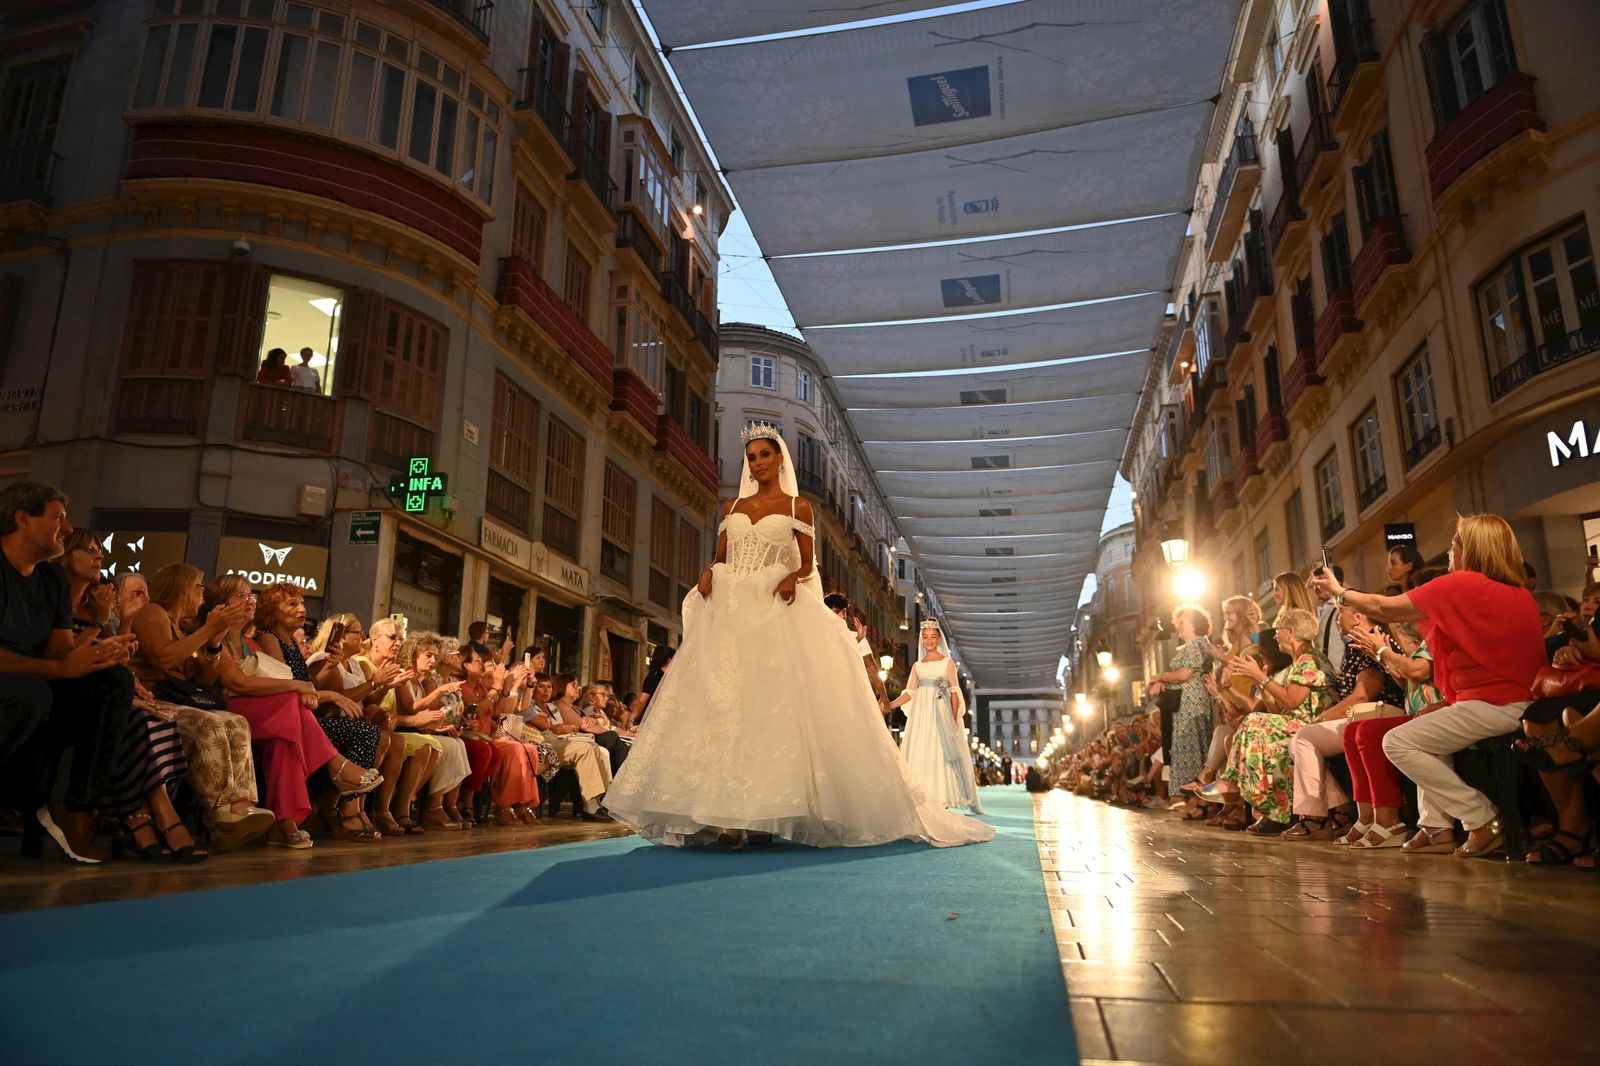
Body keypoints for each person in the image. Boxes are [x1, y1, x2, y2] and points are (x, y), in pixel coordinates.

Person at [603, 423, 993, 849]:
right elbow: (720, 557)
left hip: (773, 607)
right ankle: (722, 815)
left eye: (764, 455)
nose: (757, 463)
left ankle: (763, 814)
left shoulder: (798, 507)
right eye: (751, 457)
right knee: (721, 704)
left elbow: (809, 565)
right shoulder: (731, 505)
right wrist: (707, 572)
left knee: (769, 707)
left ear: (779, 458)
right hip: (731, 613)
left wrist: (792, 577)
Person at [1309, 514, 1545, 859]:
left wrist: (1339, 592)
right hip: (1516, 701)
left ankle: (1482, 819)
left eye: (1454, 544)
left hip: (1496, 704)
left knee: (1397, 741)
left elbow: (1383, 608)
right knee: (1424, 728)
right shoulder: (1518, 592)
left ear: (1472, 550)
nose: (1449, 551)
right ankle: (1436, 826)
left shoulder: (1462, 583)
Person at [0, 484, 140, 864]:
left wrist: (97, 655)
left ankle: (77, 806)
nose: (68, 527)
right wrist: (59, 668)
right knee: (33, 694)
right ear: (23, 519)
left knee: (114, 682)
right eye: (59, 518)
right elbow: (54, 663)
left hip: (38, 677)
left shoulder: (52, 580)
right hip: (16, 682)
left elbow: (59, 648)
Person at [128, 562, 273, 850]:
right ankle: (219, 808)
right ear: (181, 588)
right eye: (198, 587)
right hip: (152, 700)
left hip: (177, 699)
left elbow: (203, 678)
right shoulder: (153, 612)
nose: (202, 595)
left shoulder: (183, 629)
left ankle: (240, 805)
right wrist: (208, 629)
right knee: (210, 723)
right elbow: (162, 659)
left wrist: (215, 640)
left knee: (236, 721)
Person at [889, 620, 981, 811]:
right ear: (922, 640)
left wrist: (953, 719)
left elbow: (955, 692)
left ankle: (941, 798)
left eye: (932, 637)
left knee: (939, 752)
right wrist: (889, 705)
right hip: (921, 718)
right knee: (921, 750)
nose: (929, 640)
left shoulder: (947, 663)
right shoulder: (917, 666)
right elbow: (909, 693)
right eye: (925, 637)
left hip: (940, 716)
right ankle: (920, 797)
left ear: (938, 638)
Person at [1148, 605, 1213, 795]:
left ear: (1194, 624)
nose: (1178, 626)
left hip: (1191, 704)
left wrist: (1159, 676)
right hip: (1187, 703)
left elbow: (1184, 675)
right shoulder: (1196, 645)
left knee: (1191, 747)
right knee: (1189, 747)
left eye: (1182, 622)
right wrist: (1164, 683)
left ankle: (1198, 798)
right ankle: (1195, 799)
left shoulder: (1195, 644)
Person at [1310, 563, 1347, 674]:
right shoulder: (1319, 609)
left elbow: (1352, 643)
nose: (1317, 587)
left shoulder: (1343, 608)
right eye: (1315, 582)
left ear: (1337, 582)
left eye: (1321, 580)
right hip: (1324, 675)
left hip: (1339, 674)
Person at [633, 643, 674, 725]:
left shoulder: (668, 677)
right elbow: (642, 701)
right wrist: (634, 720)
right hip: (652, 721)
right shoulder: (654, 677)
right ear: (669, 660)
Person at [109, 571, 149, 636]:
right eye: (138, 593)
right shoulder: (106, 623)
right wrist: (127, 620)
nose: (145, 599)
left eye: (146, 595)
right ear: (116, 596)